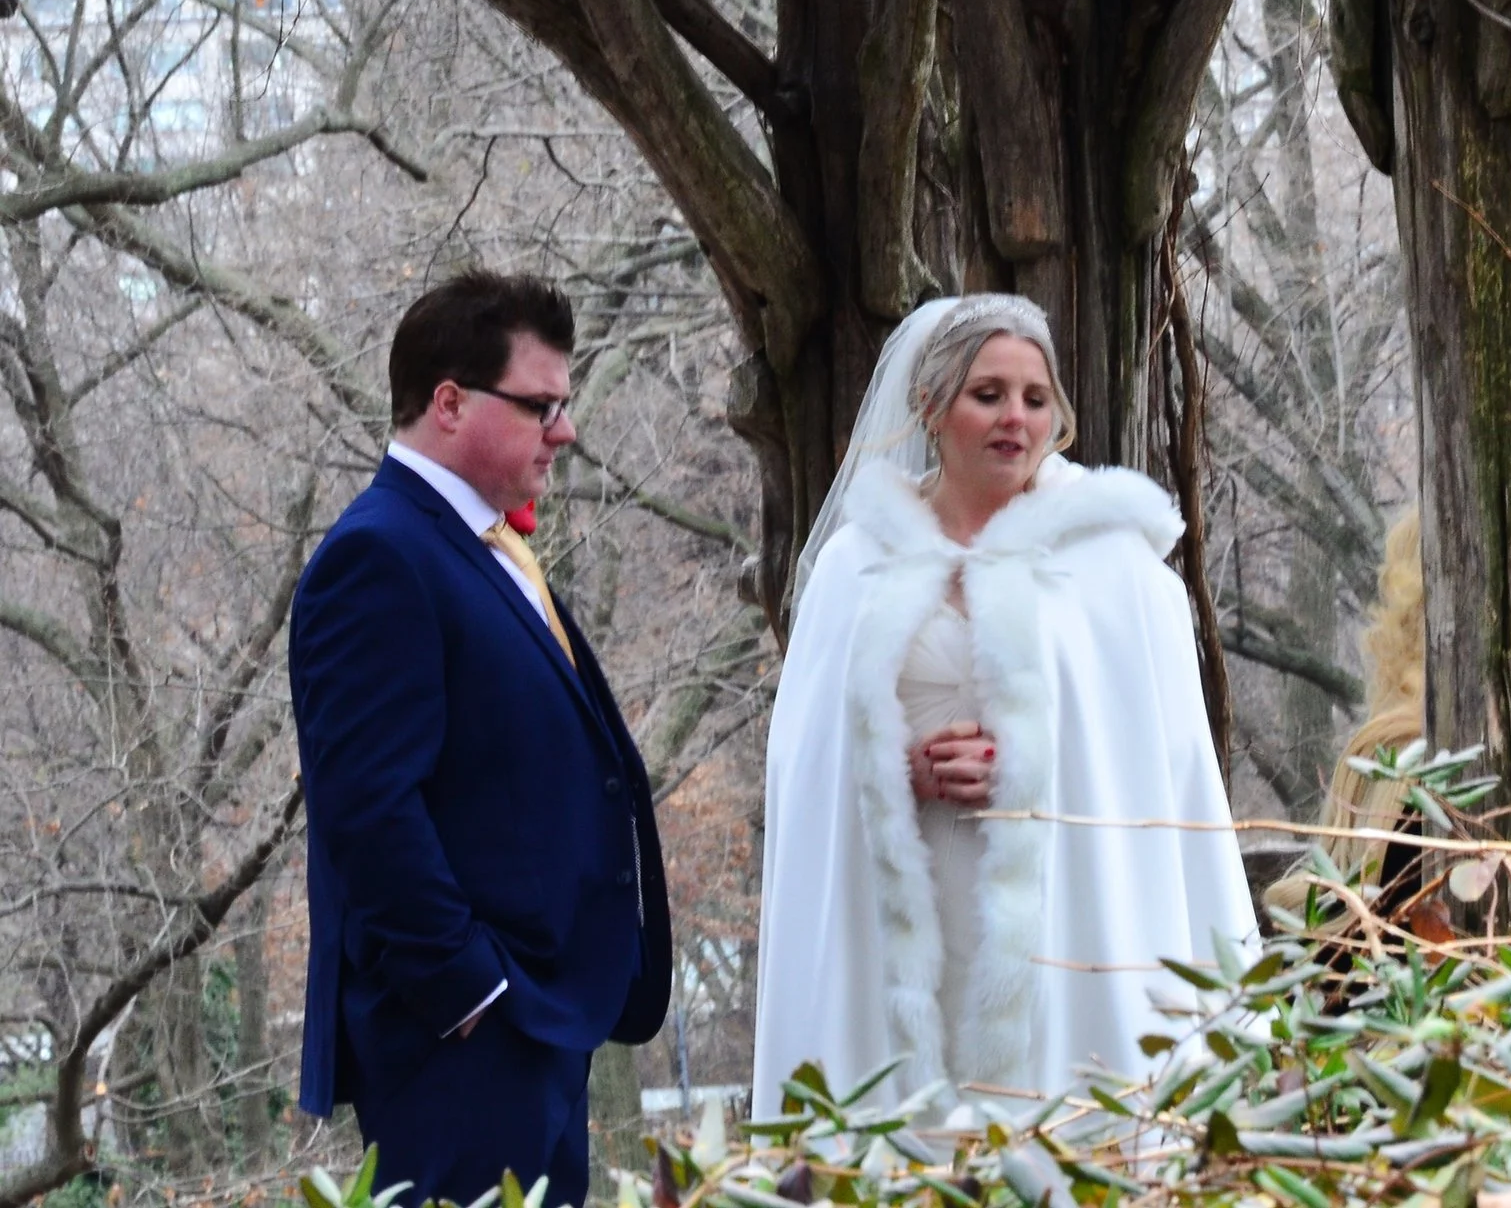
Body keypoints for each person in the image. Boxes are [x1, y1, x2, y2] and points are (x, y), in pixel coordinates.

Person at [752, 294, 1254, 1120]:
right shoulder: (856, 567)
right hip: (899, 920)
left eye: (1034, 396)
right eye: (988, 394)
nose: (1015, 418)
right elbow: (805, 768)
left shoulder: (1114, 568)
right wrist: (897, 769)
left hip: (1066, 915)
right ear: (931, 405)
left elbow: (1164, 772)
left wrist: (1032, 769)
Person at [291, 273, 671, 1207]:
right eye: (541, 405)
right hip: (462, 1046)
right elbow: (369, 809)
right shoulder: (378, 555)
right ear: (450, 402)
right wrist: (475, 998)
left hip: (538, 1024)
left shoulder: (481, 544)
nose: (565, 430)